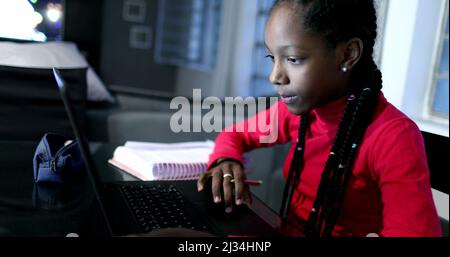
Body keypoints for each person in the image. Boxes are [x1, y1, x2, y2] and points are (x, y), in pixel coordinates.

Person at [197, 0, 442, 237]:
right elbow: (235, 134)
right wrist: (226, 160)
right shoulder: (303, 112)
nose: (275, 76)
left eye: (293, 59)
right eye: (273, 58)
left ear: (348, 54)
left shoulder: (394, 137)